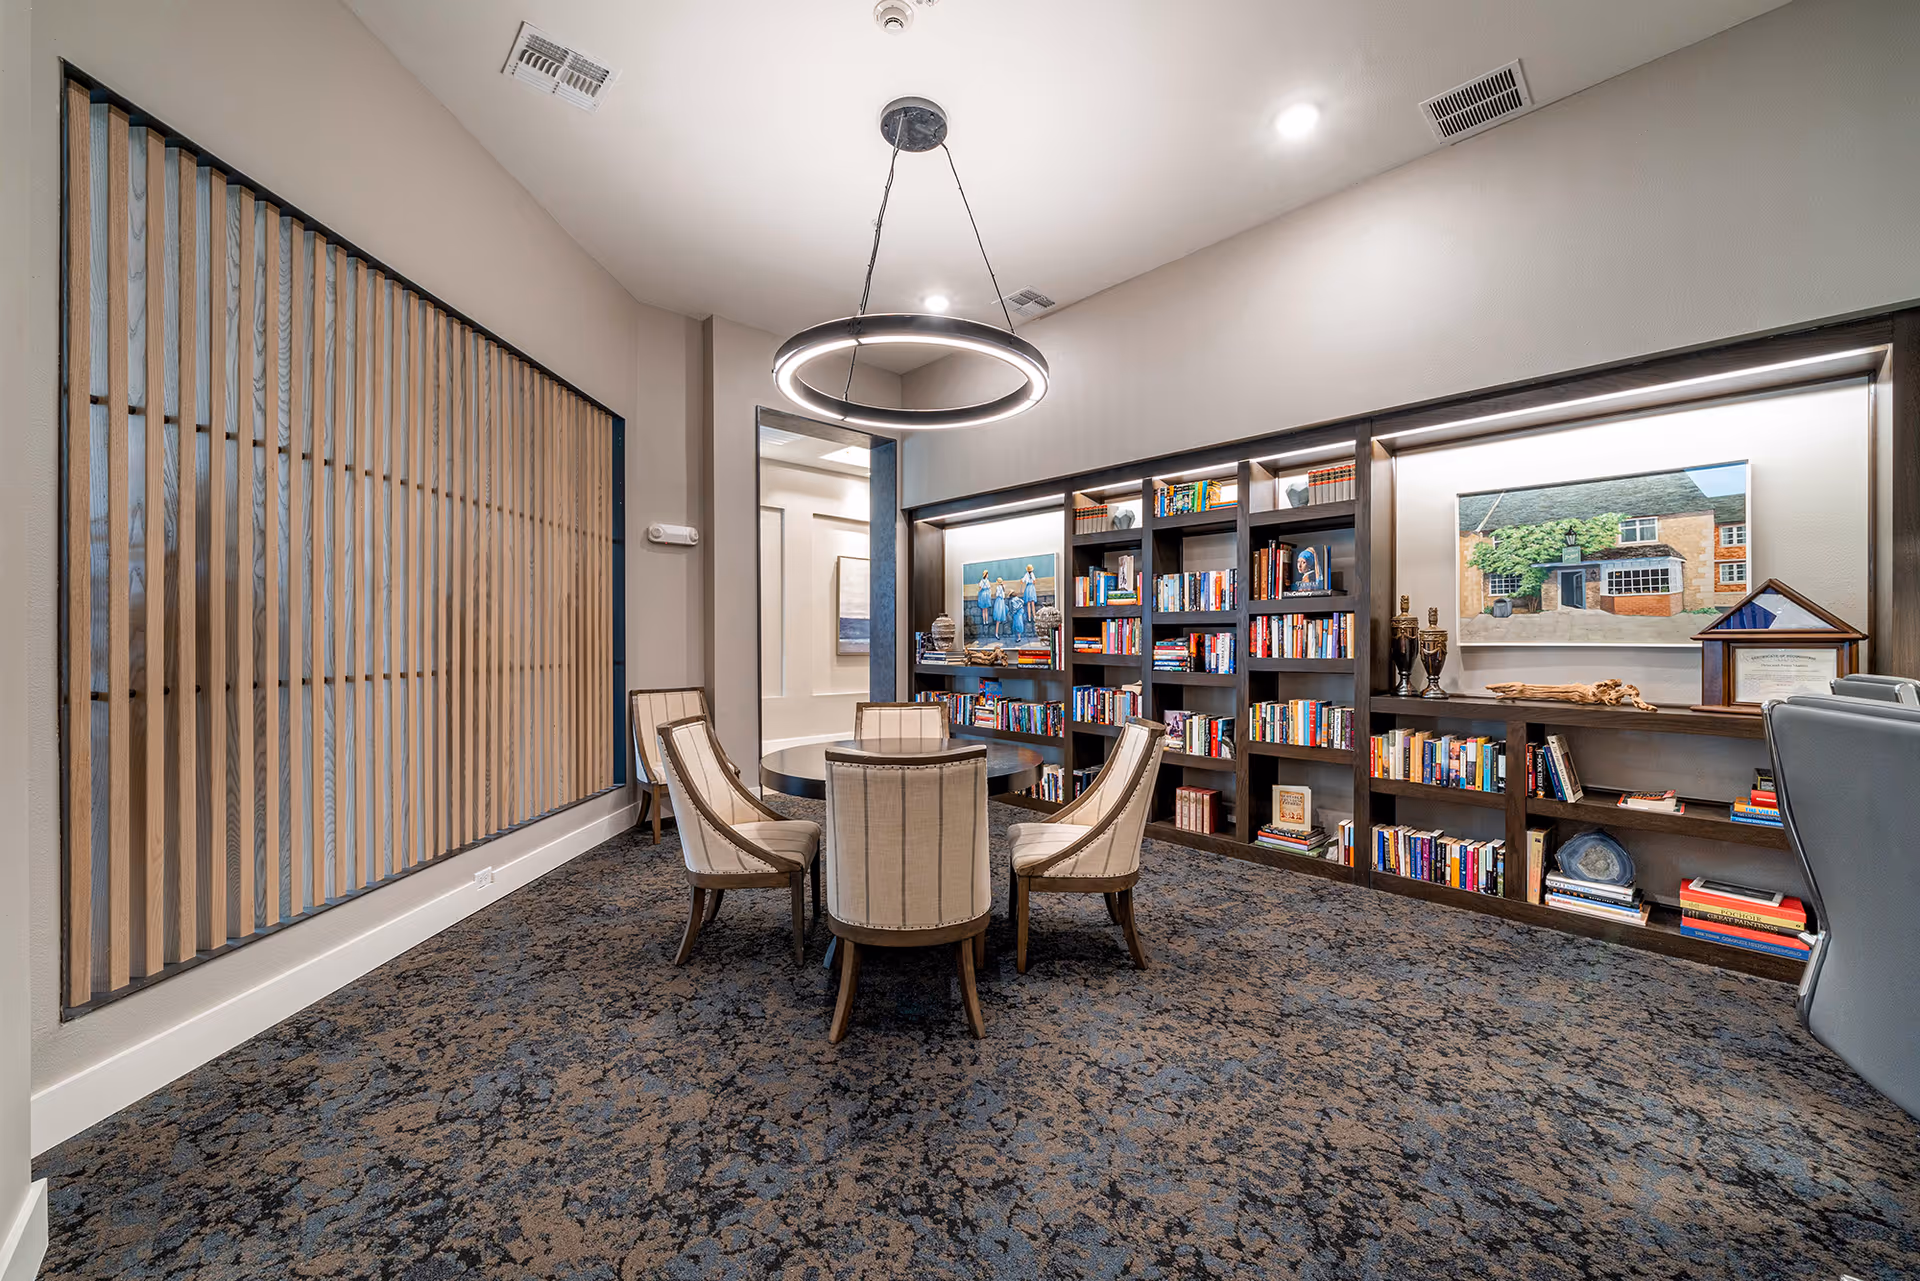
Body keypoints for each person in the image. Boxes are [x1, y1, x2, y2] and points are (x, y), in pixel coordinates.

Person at [976, 571, 992, 638]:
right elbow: (989, 588)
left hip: (982, 595)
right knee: (986, 609)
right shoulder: (987, 581)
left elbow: (980, 588)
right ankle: (987, 620)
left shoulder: (981, 581)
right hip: (987, 595)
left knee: (983, 610)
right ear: (986, 575)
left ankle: (984, 621)